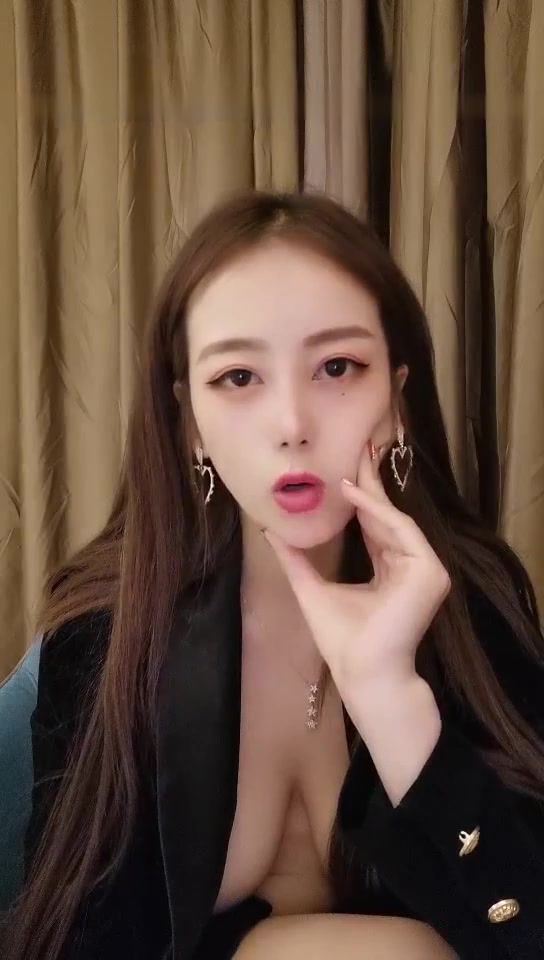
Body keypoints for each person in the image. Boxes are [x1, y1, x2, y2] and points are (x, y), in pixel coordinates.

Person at [3, 191, 544, 960]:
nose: (292, 424)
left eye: (336, 367)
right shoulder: (107, 635)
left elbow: (525, 928)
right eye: (238, 378)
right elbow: (68, 938)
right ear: (190, 423)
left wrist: (393, 699)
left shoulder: (478, 605)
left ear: (396, 397)